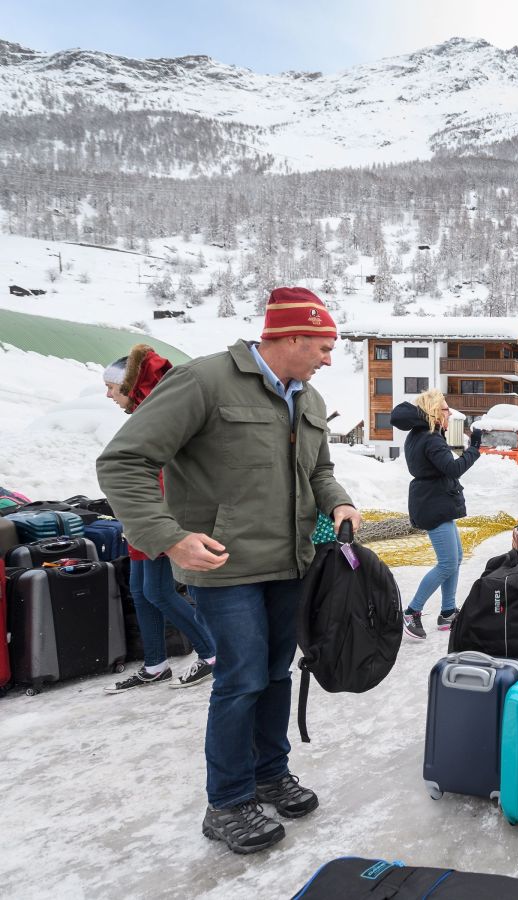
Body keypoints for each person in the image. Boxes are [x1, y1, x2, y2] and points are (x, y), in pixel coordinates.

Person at [97, 287, 362, 856]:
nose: (328, 357)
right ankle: (229, 801)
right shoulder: (203, 382)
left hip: (290, 563)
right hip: (226, 567)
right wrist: (167, 538)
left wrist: (337, 500)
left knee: (275, 673)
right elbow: (123, 462)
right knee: (240, 678)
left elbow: (320, 469)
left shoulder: (308, 398)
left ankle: (270, 773)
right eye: (322, 345)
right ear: (288, 338)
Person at [101, 345, 218, 693]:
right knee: (141, 592)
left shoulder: (155, 412)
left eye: (111, 386)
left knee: (158, 591)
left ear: (129, 384)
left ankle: (211, 653)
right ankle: (155, 664)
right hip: (142, 522)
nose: (107, 394)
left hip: (159, 519)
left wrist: (157, 524)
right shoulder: (142, 413)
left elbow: (163, 474)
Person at [391, 389, 481, 639]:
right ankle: (411, 612)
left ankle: (448, 612)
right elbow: (453, 468)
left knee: (456, 557)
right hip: (433, 504)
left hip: (435, 500)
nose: (449, 411)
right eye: (444, 408)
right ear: (433, 412)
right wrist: (474, 448)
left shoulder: (422, 435)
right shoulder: (430, 437)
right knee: (448, 562)